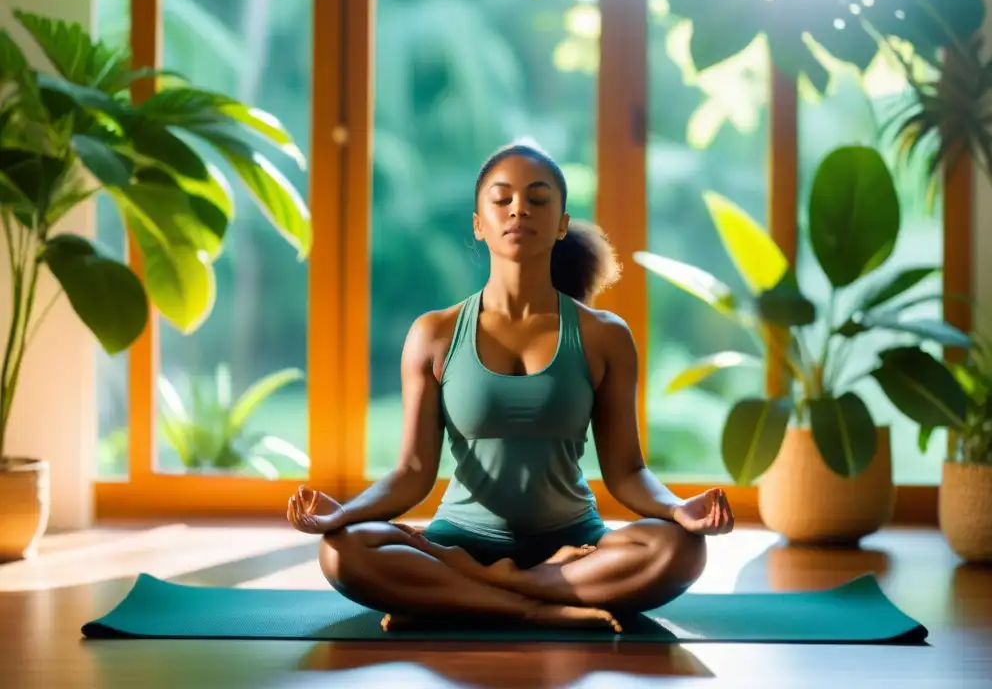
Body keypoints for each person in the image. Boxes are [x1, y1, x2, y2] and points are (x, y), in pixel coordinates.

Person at [286, 140, 734, 632]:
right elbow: (413, 472)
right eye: (502, 199)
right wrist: (342, 515)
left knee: (680, 549)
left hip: (572, 546)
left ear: (562, 223)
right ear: (479, 224)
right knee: (342, 552)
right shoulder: (434, 333)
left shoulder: (604, 335)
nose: (519, 208)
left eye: (538, 199)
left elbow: (627, 472)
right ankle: (533, 606)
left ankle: (463, 590)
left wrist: (677, 510)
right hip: (461, 538)